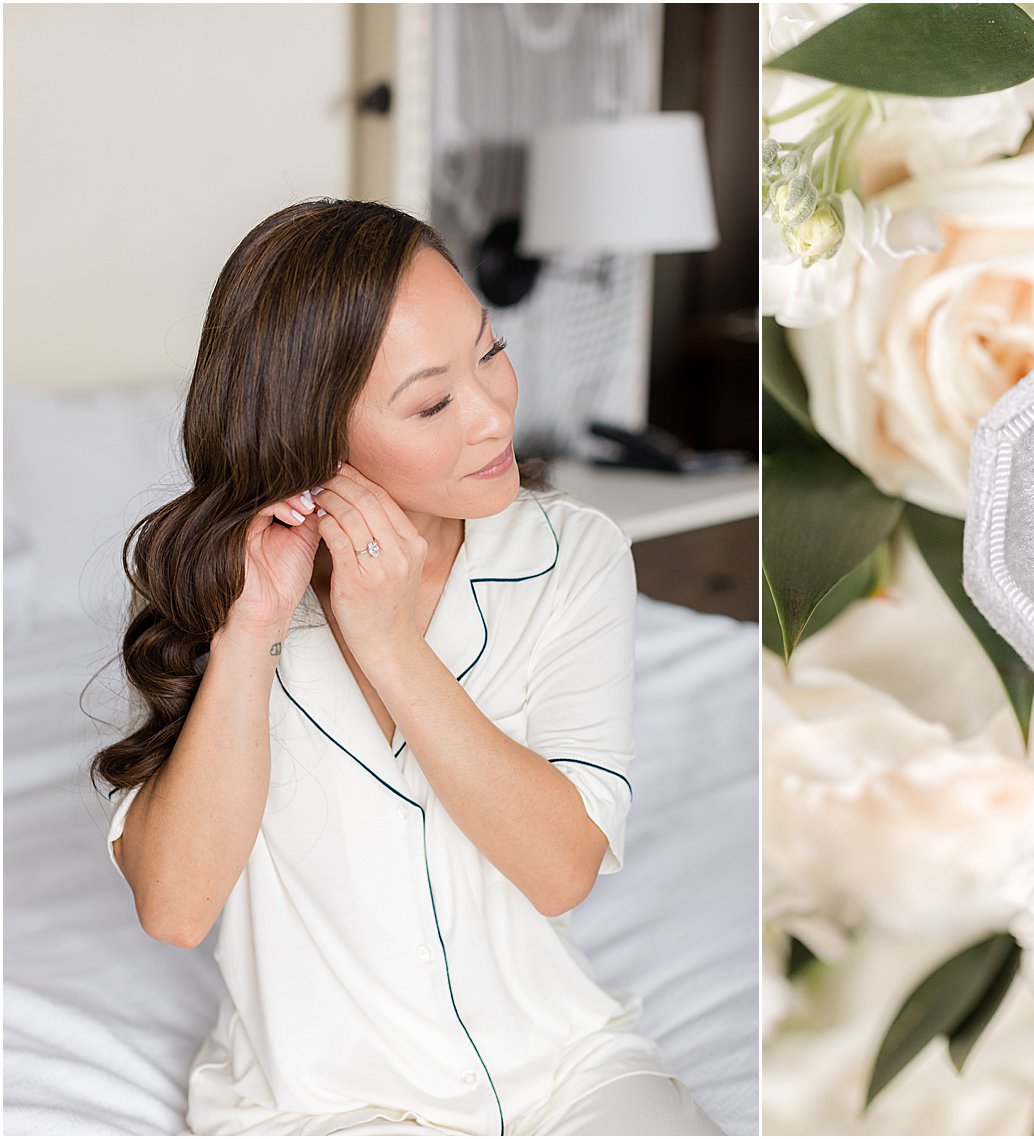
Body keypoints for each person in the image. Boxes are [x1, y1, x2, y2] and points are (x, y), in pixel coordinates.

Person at [92, 199, 725, 1136]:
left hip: (565, 1069)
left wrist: (391, 644)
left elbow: (562, 869)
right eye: (432, 403)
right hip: (320, 1107)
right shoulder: (232, 594)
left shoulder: (574, 554)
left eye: (490, 350)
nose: (494, 412)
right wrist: (250, 630)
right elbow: (178, 907)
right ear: (316, 438)